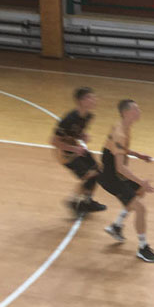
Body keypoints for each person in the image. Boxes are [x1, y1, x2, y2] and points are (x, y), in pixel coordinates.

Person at [99, 99, 154, 263]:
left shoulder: (123, 127)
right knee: (141, 209)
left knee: (139, 192)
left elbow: (119, 149)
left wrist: (138, 155)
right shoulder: (120, 132)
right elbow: (120, 168)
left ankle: (116, 226)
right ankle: (143, 248)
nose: (139, 112)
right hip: (111, 179)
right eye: (136, 109)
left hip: (117, 176)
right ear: (126, 113)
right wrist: (142, 181)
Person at [50, 87, 107, 217]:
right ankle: (73, 201)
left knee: (98, 171)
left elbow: (75, 132)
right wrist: (75, 149)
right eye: (90, 97)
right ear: (81, 101)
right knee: (89, 175)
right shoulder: (69, 119)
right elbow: (54, 141)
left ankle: (87, 201)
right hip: (64, 153)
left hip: (75, 148)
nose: (94, 100)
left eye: (94, 97)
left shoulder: (88, 116)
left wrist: (82, 136)